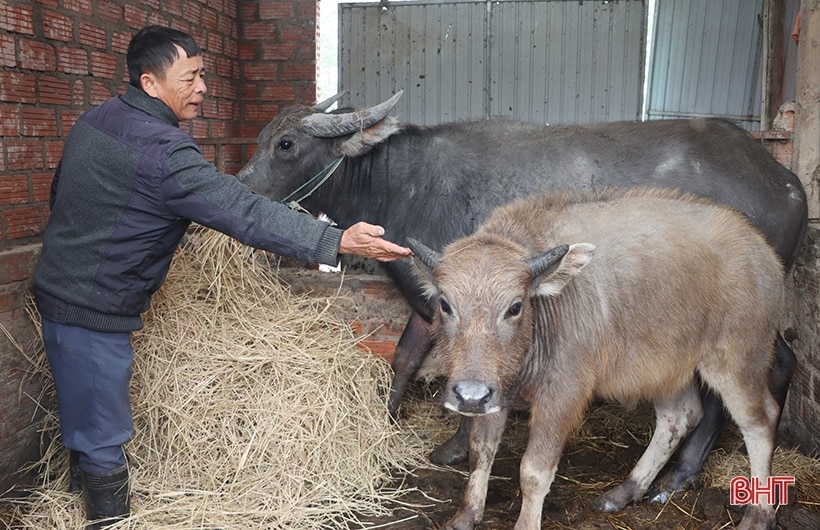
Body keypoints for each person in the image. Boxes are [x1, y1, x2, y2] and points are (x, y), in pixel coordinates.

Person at [32, 25, 412, 529]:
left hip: (60, 288)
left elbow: (65, 196)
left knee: (82, 413)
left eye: (203, 74)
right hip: (92, 306)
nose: (203, 87)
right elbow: (243, 210)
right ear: (150, 83)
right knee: (102, 430)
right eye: (190, 77)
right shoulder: (165, 152)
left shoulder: (97, 120)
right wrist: (335, 240)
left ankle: (84, 496)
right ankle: (108, 519)